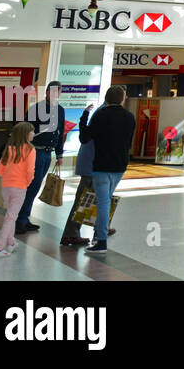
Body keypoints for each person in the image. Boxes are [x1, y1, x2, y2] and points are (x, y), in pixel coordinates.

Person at [78, 86, 136, 256]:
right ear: (122, 99)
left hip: (102, 166)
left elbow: (84, 138)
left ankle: (101, 240)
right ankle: (99, 234)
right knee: (107, 200)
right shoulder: (129, 117)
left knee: (103, 202)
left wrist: (84, 117)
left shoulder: (100, 115)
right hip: (120, 166)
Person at [60, 104, 114, 247]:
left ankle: (100, 228)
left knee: (95, 199)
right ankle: (70, 234)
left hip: (92, 165)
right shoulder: (104, 115)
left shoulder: (101, 113)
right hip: (92, 166)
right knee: (83, 200)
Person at [17, 80, 66, 236]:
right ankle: (20, 219)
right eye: (51, 92)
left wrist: (59, 153)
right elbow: (25, 131)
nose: (54, 95)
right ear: (46, 93)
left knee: (35, 186)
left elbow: (60, 131)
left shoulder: (60, 110)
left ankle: (25, 218)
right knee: (32, 185)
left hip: (47, 153)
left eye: (57, 92)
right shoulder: (36, 109)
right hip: (35, 152)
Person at [0, 122, 35, 259]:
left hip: (6, 186)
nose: (33, 134)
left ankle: (10, 243)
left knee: (10, 215)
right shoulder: (30, 150)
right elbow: (30, 171)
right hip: (20, 187)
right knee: (10, 218)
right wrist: (27, 183)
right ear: (26, 134)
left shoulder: (9, 148)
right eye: (32, 131)